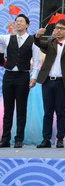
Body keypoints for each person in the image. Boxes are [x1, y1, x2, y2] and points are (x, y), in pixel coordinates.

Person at [33, 19, 65, 149]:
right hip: (47, 81)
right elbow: (38, 43)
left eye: (61, 28)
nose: (58, 30)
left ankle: (60, 139)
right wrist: (37, 36)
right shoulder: (50, 43)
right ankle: (46, 139)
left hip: (62, 83)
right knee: (47, 112)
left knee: (60, 112)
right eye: (56, 28)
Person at [0, 14, 41, 148]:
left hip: (23, 76)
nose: (18, 23)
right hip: (9, 76)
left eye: (21, 21)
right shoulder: (8, 38)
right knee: (8, 109)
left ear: (27, 25)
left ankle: (19, 139)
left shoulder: (32, 40)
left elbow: (36, 62)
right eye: (16, 21)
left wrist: (33, 77)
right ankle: (5, 139)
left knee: (21, 109)